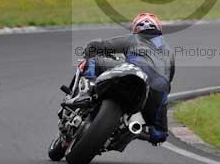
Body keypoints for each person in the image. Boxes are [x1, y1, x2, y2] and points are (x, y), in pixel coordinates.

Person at [69, 13, 175, 145]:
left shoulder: (135, 38)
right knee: (160, 134)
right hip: (159, 89)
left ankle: (85, 94)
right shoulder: (169, 51)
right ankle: (133, 129)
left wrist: (88, 54)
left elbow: (96, 46)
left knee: (94, 62)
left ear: (136, 28)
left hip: (135, 73)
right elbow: (169, 77)